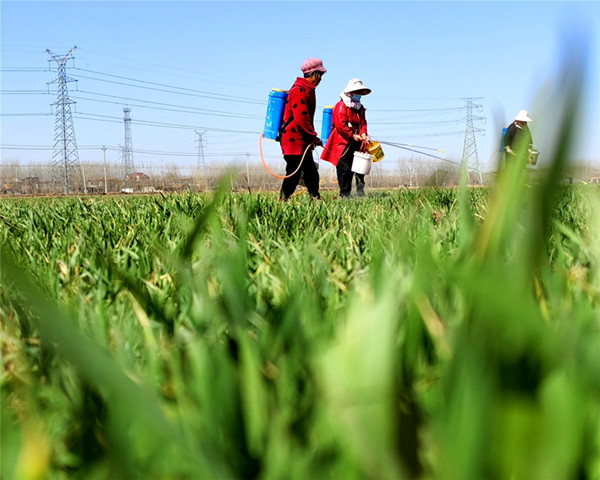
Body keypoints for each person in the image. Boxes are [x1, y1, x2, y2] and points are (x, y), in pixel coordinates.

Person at [279, 58, 326, 200]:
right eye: (320, 76)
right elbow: (302, 117)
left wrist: (310, 138)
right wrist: (313, 136)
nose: (320, 80)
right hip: (293, 140)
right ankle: (283, 198)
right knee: (294, 172)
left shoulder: (307, 89)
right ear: (313, 74)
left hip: (302, 140)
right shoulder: (299, 90)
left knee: (311, 171)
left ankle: (315, 196)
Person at [321, 79, 371, 197]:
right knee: (344, 169)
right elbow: (340, 125)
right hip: (342, 142)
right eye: (357, 92)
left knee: (358, 168)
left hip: (357, 142)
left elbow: (363, 123)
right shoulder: (341, 106)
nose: (359, 95)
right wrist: (353, 135)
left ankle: (360, 190)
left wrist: (363, 134)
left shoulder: (360, 108)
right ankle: (345, 194)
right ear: (350, 92)